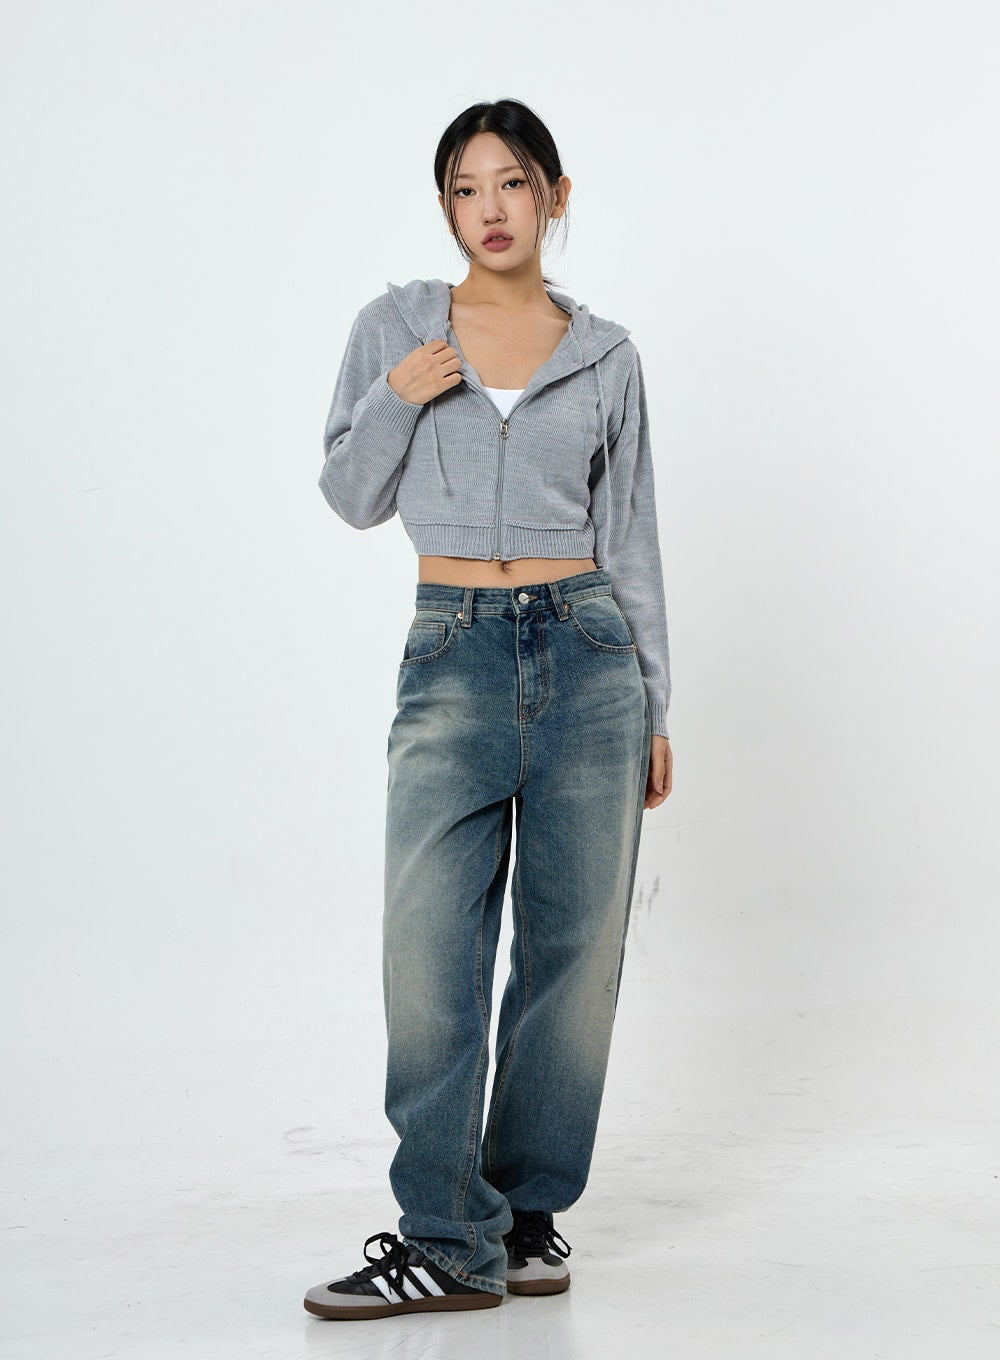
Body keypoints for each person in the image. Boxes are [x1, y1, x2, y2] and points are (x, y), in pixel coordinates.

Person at [304, 97, 673, 1322]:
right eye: (465, 189)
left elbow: (630, 536)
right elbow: (350, 496)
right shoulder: (398, 328)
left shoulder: (605, 355)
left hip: (589, 651)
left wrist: (655, 703)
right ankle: (441, 1232)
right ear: (445, 207)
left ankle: (520, 1217)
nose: (490, 209)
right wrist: (399, 397)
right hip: (452, 646)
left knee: (573, 952)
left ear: (554, 195)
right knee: (429, 952)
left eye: (511, 183)